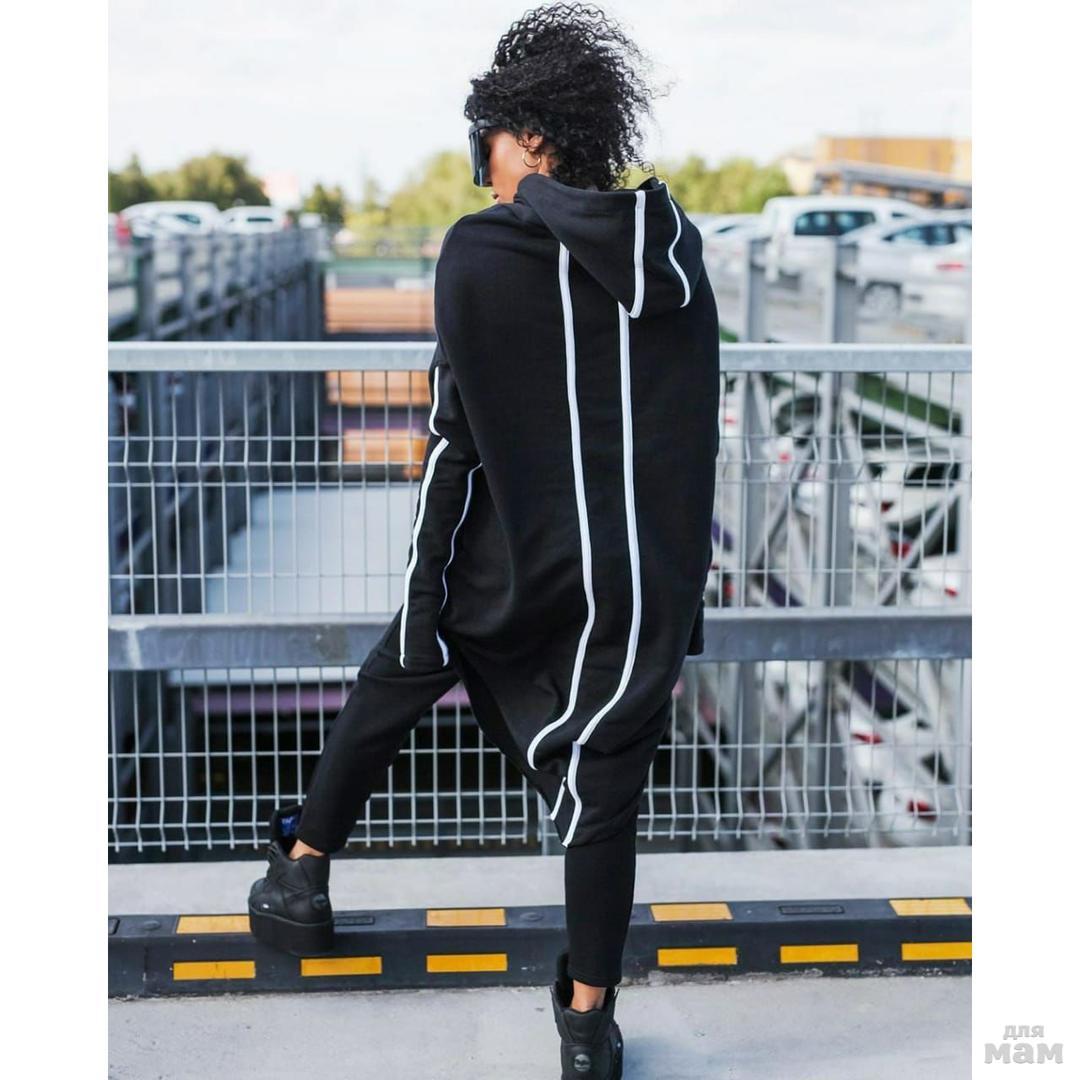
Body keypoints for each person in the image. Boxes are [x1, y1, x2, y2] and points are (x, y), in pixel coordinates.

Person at [247, 5, 719, 1077]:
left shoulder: (481, 252)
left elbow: (453, 438)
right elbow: (688, 429)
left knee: (405, 664)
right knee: (605, 789)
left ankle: (300, 873)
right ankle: (588, 1031)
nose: (483, 169)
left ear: (532, 139)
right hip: (632, 589)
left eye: (488, 145)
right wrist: (674, 597)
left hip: (510, 568)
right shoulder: (673, 251)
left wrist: (424, 590)